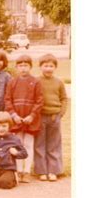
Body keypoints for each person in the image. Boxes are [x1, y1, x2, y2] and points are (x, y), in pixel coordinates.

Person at [4, 54, 44, 183]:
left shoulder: (36, 82)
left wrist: (32, 115)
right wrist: (13, 115)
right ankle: (18, 170)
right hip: (16, 118)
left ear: (30, 67)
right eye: (20, 66)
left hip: (30, 119)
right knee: (17, 144)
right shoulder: (12, 82)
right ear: (16, 67)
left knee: (28, 144)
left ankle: (26, 171)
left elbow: (39, 101)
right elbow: (7, 100)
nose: (23, 68)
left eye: (26, 65)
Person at [34, 53, 68, 182]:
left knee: (53, 144)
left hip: (54, 116)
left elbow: (64, 98)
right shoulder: (36, 81)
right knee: (39, 144)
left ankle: (53, 170)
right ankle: (41, 171)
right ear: (40, 67)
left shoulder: (58, 82)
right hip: (40, 116)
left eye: (51, 66)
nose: (48, 68)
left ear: (55, 67)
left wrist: (60, 113)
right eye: (45, 66)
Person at [0, 112, 28, 189]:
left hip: (8, 168)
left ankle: (13, 178)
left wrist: (16, 153)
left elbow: (24, 154)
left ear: (9, 126)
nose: (1, 129)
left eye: (4, 126)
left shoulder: (14, 139)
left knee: (4, 183)